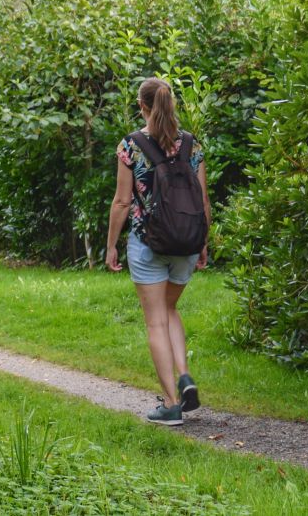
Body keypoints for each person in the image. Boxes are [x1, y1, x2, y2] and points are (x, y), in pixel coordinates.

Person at [105, 77, 212, 426]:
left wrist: (110, 246)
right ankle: (185, 375)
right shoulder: (191, 146)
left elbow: (122, 202)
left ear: (142, 106)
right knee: (170, 308)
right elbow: (203, 201)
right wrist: (202, 243)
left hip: (148, 243)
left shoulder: (131, 146)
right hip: (185, 243)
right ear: (171, 104)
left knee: (155, 320)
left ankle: (170, 404)